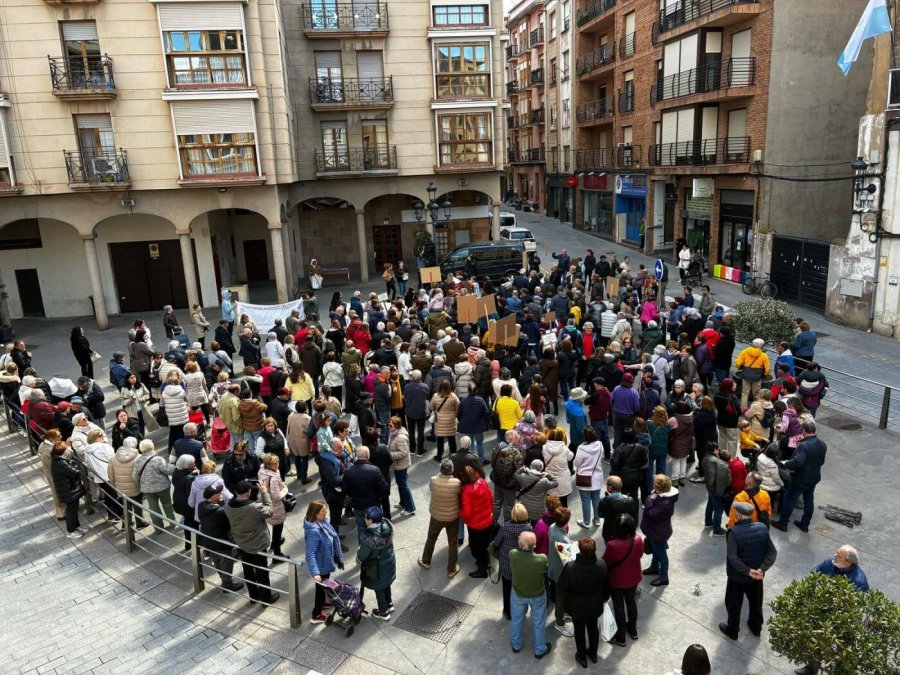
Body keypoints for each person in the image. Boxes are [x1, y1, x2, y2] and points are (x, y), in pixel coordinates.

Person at [719, 501, 777, 640]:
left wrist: (748, 571)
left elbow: (733, 558)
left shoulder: (733, 533)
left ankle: (733, 630)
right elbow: (772, 552)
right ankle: (756, 628)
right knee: (756, 603)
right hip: (757, 577)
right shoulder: (762, 528)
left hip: (737, 578)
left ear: (738, 515)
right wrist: (761, 570)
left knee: (733, 604)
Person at [225, 479, 280, 604]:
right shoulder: (254, 507)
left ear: (235, 492)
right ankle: (266, 598)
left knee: (248, 571)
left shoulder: (228, 506)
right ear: (249, 492)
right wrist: (264, 492)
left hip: (241, 544)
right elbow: (269, 511)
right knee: (262, 572)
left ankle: (254, 596)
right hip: (258, 545)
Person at [558, 536, 610, 666]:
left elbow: (562, 585)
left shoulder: (570, 567)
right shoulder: (601, 564)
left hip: (576, 607)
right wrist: (604, 598)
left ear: (580, 550)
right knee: (593, 629)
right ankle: (593, 654)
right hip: (595, 605)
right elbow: (606, 585)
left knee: (579, 631)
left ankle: (581, 657)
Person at [772, 419, 827, 533]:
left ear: (804, 431)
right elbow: (821, 461)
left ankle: (783, 523)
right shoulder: (822, 444)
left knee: (789, 498)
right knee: (809, 499)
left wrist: (786, 464)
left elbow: (798, 462)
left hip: (801, 478)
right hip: (814, 477)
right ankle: (804, 524)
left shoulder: (804, 445)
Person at [508, 530, 552, 659]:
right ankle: (540, 649)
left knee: (517, 620)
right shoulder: (542, 559)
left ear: (520, 545)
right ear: (534, 545)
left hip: (518, 593)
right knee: (539, 622)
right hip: (537, 595)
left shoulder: (513, 554)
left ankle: (516, 645)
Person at [603, 513, 643, 648]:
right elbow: (640, 554)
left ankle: (621, 637)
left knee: (619, 607)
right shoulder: (638, 540)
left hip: (617, 581)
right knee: (631, 602)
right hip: (634, 577)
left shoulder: (612, 545)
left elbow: (605, 562)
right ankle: (633, 630)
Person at [418, 459, 461, 577]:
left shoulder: (433, 480)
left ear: (440, 469)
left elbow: (431, 488)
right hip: (452, 517)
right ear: (452, 470)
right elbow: (458, 493)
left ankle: (426, 561)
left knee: (431, 538)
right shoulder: (456, 482)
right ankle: (451, 569)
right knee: (452, 542)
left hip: (436, 516)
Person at [198, 484, 244, 592]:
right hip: (222, 543)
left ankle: (223, 579)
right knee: (226, 563)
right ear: (214, 497)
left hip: (209, 541)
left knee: (217, 561)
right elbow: (230, 521)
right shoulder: (220, 511)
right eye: (219, 493)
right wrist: (223, 503)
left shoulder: (201, 506)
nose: (221, 494)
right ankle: (227, 585)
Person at [304, 500, 344, 622]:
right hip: (321, 567)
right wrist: (315, 573)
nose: (325, 513)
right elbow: (310, 553)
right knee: (320, 590)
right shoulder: (314, 531)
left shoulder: (322, 522)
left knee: (324, 586)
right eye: (323, 511)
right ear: (315, 513)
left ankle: (324, 602)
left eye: (325, 510)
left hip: (325, 562)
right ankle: (316, 615)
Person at [355, 505, 396, 620]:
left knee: (379, 588)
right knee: (386, 584)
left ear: (370, 520)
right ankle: (389, 604)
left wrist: (358, 554)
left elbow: (362, 555)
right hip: (389, 563)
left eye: (366, 518)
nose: (364, 519)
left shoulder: (369, 538)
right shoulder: (387, 527)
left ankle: (383, 612)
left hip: (378, 568)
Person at [494, 503, 533, 620]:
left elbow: (497, 542)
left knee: (507, 588)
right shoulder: (528, 528)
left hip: (507, 563)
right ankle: (520, 610)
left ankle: (507, 611)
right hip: (522, 564)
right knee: (519, 589)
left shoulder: (505, 527)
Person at [343, 445, 390, 540]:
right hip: (373, 505)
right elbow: (384, 488)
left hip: (358, 506)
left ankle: (363, 547)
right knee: (376, 529)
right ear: (368, 456)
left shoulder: (348, 471)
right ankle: (377, 547)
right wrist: (379, 497)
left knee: (361, 529)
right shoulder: (374, 470)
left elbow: (345, 490)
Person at [641, 474, 679, 586]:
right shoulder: (663, 497)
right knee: (656, 550)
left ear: (659, 488)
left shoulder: (665, 503)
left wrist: (649, 500)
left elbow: (651, 514)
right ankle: (654, 567)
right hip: (657, 530)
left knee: (661, 554)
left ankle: (663, 577)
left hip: (659, 532)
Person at [459, 465, 493, 578]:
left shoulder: (467, 490)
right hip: (487, 520)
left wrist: (460, 512)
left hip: (475, 525)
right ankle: (486, 562)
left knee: (476, 548)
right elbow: (491, 498)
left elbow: (467, 513)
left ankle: (482, 569)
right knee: (485, 544)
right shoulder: (482, 481)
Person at [50, 442, 87, 538]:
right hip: (69, 491)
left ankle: (76, 527)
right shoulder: (61, 462)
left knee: (74, 510)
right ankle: (71, 531)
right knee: (71, 511)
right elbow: (75, 473)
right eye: (66, 449)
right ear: (62, 451)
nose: (69, 450)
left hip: (70, 490)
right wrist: (75, 464)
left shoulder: (59, 460)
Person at [257, 453, 289, 561]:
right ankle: (277, 554)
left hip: (266, 501)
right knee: (278, 528)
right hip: (276, 506)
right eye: (274, 463)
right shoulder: (273, 477)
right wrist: (285, 489)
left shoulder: (261, 471)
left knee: (275, 527)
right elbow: (276, 496)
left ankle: (274, 543)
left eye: (277, 462)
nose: (277, 465)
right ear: (268, 464)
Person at [573, 426, 604, 528]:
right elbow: (602, 457)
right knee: (596, 499)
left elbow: (577, 463)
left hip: (584, 478)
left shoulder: (581, 448)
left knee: (585, 501)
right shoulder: (600, 445)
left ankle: (586, 522)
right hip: (597, 477)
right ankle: (597, 520)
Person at [491, 430, 524, 523]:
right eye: (517, 438)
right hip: (510, 484)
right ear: (511, 439)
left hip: (497, 480)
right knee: (508, 506)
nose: (518, 439)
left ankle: (493, 522)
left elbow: (493, 463)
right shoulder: (516, 452)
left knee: (496, 503)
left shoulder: (498, 447)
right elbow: (519, 470)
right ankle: (507, 524)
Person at [386, 416, 416, 516]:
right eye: (388, 425)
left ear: (397, 426)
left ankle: (410, 508)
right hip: (397, 464)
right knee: (400, 484)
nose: (388, 427)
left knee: (403, 485)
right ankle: (403, 503)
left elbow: (404, 452)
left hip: (401, 464)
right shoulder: (393, 434)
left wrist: (390, 455)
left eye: (390, 425)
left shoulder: (400, 438)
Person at [702, 443, 731, 536]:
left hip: (710, 488)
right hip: (717, 489)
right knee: (718, 508)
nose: (719, 451)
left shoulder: (706, 458)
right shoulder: (719, 463)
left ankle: (708, 522)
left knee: (710, 504)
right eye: (718, 449)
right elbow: (726, 479)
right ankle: (717, 529)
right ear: (715, 450)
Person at [598, 475, 637, 541]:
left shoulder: (604, 501)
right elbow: (633, 514)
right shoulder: (629, 500)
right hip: (625, 532)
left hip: (609, 533)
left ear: (610, 488)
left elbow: (600, 514)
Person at [735, 339, 771, 410]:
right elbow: (767, 369)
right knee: (757, 394)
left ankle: (743, 409)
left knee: (745, 393)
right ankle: (755, 409)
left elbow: (738, 363)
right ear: (761, 346)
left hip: (746, 375)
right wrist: (765, 374)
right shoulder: (763, 355)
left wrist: (739, 367)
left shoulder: (744, 352)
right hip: (757, 377)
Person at [430, 379, 459, 461]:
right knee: (452, 439)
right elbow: (458, 406)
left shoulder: (436, 396)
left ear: (440, 387)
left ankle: (439, 456)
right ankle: (454, 455)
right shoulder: (453, 396)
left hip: (440, 421)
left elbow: (431, 407)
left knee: (440, 440)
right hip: (451, 420)